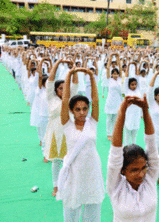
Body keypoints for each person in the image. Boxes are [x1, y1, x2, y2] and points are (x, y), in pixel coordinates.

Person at [57, 67, 105, 222]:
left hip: (92, 169)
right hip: (74, 171)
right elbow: (64, 100)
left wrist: (91, 76)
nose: (82, 112)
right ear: (71, 110)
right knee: (72, 204)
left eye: (85, 109)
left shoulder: (92, 123)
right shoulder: (67, 124)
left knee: (93, 204)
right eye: (77, 109)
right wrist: (69, 75)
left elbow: (96, 100)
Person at [106, 95, 159, 222]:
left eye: (143, 168)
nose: (141, 174)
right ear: (123, 170)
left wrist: (145, 111)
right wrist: (122, 113)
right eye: (134, 170)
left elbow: (152, 145)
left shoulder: (149, 179)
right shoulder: (115, 186)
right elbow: (115, 153)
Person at [44, 59, 78, 197]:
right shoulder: (51, 98)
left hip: (69, 133)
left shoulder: (70, 100)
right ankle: (56, 186)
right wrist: (57, 63)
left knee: (70, 162)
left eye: (65, 88)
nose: (63, 91)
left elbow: (75, 83)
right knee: (56, 162)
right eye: (60, 88)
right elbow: (50, 81)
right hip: (55, 134)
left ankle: (70, 186)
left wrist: (73, 69)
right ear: (55, 90)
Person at [105, 63, 122, 141]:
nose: (115, 75)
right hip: (110, 101)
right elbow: (108, 68)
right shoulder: (109, 80)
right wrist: (111, 57)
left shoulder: (120, 80)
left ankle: (114, 133)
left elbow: (121, 68)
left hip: (118, 101)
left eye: (116, 74)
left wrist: (118, 57)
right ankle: (109, 134)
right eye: (114, 74)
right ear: (111, 74)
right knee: (109, 119)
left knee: (116, 118)